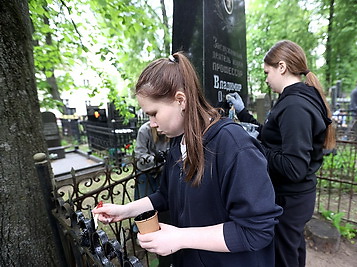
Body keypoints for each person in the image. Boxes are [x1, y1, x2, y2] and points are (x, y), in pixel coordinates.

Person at [93, 52, 283, 266]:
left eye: (154, 113)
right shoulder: (178, 140)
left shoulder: (234, 146)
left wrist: (180, 238)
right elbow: (166, 194)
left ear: (180, 100)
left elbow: (256, 230)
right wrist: (124, 211)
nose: (152, 123)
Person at [227, 40, 336, 267]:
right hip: (296, 197)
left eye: (268, 72)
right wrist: (243, 114)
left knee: (284, 257)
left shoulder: (295, 105)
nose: (266, 79)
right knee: (293, 249)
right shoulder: (295, 99)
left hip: (290, 199)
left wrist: (253, 144)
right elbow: (274, 136)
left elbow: (293, 167)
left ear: (282, 67)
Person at [134, 121, 169, 200]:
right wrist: (154, 159)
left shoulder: (170, 130)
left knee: (162, 201)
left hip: (162, 171)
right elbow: (139, 155)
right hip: (145, 171)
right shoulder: (144, 130)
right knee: (145, 202)